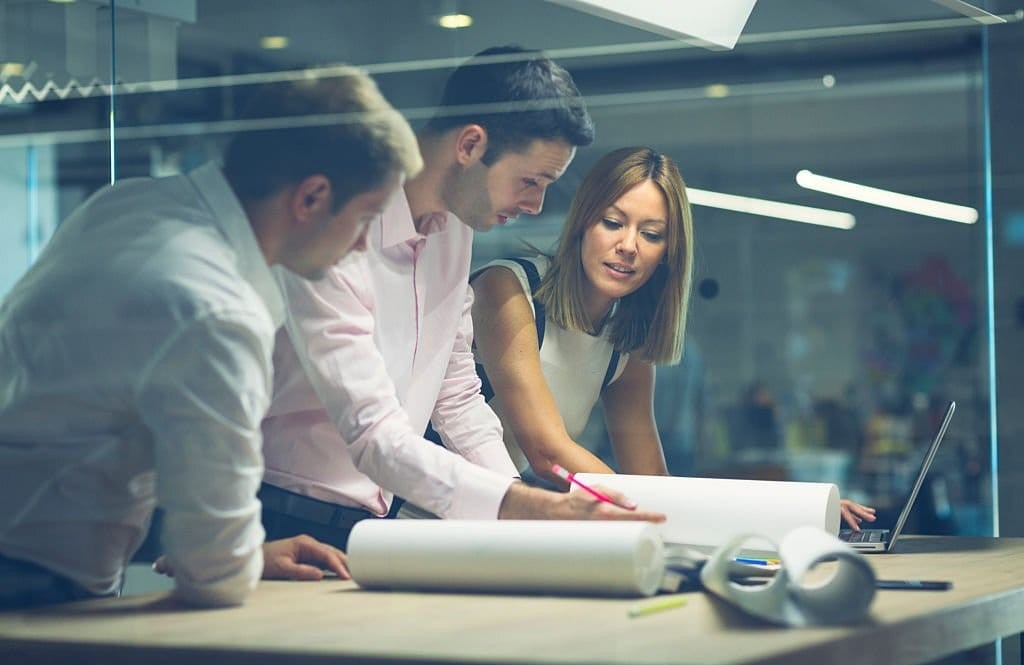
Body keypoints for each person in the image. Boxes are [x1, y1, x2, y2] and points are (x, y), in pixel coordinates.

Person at [0, 68, 423, 609]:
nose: (363, 243)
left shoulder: (126, 204)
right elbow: (216, 575)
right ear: (312, 196)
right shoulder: (215, 309)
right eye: (365, 216)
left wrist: (246, 552)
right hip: (31, 584)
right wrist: (233, 557)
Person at [259, 47, 665, 550]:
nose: (536, 204)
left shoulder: (453, 230)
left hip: (370, 525)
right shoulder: (338, 225)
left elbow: (457, 396)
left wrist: (511, 499)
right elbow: (374, 434)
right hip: (286, 517)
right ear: (471, 144)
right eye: (530, 181)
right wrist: (520, 506)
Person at [471, 147, 876, 531]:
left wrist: (789, 512)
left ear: (668, 252)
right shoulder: (507, 290)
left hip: (481, 517)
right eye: (612, 223)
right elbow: (547, 453)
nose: (628, 246)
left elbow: (650, 478)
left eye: (650, 234)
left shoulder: (624, 343)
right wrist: (647, 509)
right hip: (422, 513)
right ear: (582, 225)